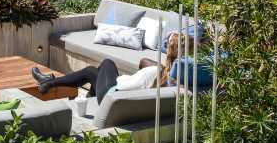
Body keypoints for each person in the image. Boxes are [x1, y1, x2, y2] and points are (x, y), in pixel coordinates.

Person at [31, 33, 181, 104]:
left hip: (112, 94)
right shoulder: (167, 76)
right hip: (117, 91)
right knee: (96, 70)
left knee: (97, 68)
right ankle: (51, 82)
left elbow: (144, 64)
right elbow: (143, 61)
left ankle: (50, 82)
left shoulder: (158, 72)